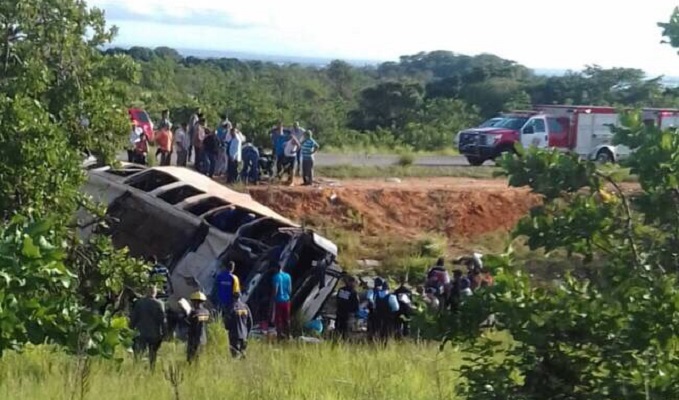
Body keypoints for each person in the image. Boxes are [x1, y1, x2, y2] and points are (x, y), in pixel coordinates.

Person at [130, 286, 166, 370]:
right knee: (153, 354)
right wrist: (165, 333)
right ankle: (152, 369)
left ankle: (137, 368)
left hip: (141, 332)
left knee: (139, 353)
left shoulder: (139, 303)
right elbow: (162, 320)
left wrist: (130, 329)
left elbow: (134, 318)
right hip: (154, 333)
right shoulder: (159, 304)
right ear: (155, 292)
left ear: (146, 292)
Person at [226, 292, 253, 359]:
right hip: (244, 336)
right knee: (243, 354)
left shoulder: (232, 307)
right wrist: (247, 333)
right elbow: (250, 322)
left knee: (235, 356)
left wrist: (228, 328)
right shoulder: (246, 307)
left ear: (233, 298)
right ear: (240, 297)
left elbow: (227, 322)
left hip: (235, 336)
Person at [186, 291, 210, 364]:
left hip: (194, 340)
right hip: (203, 339)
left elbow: (188, 322)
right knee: (200, 358)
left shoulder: (194, 313)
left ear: (195, 302)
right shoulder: (207, 312)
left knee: (191, 359)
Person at [335, 275, 360, 340]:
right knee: (346, 333)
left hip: (339, 314)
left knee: (338, 331)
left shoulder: (341, 290)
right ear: (352, 282)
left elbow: (339, 301)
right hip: (348, 316)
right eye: (356, 282)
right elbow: (356, 305)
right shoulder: (353, 292)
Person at [272, 263, 292, 340]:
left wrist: (272, 302)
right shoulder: (288, 276)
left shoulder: (275, 277)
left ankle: (279, 336)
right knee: (286, 319)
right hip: (286, 301)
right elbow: (290, 290)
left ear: (276, 269)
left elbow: (275, 290)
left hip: (278, 301)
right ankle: (288, 335)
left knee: (279, 319)